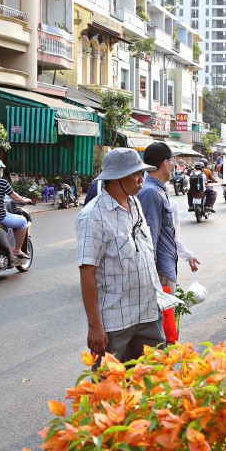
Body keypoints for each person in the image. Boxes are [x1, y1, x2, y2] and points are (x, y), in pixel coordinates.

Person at [76, 148, 179, 365]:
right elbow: (87, 273)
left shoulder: (135, 203)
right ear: (116, 179)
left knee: (153, 380)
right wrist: (95, 326)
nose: (142, 178)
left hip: (148, 312)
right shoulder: (92, 216)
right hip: (115, 321)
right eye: (135, 174)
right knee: (109, 387)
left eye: (141, 173)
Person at [138, 142, 201, 289]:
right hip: (160, 274)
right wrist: (151, 276)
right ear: (165, 163)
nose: (173, 166)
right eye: (172, 161)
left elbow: (169, 234)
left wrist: (187, 255)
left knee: (168, 312)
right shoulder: (151, 192)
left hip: (166, 269)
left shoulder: (159, 190)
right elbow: (150, 237)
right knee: (165, 313)